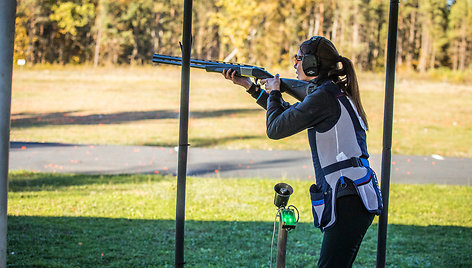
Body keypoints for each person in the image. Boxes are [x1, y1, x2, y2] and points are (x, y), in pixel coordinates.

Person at [223, 36, 383, 267]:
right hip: (350, 195)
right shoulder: (330, 93)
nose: (294, 64)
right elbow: (289, 115)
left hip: (348, 198)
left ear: (311, 64)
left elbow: (275, 128)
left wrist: (276, 91)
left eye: (298, 59)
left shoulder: (324, 96)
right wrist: (251, 87)